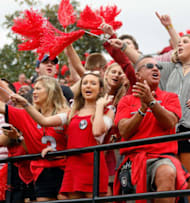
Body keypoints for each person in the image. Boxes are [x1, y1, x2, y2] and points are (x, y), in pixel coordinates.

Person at [11, 71, 114, 199]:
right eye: (85, 83)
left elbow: (97, 131)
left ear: (100, 89)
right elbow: (44, 121)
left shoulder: (108, 111)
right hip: (73, 167)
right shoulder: (72, 112)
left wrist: (99, 107)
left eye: (93, 83)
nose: (88, 86)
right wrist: (26, 104)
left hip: (94, 166)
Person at [113, 55, 190, 203]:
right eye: (149, 66)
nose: (155, 68)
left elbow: (170, 122)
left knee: (167, 173)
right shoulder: (126, 100)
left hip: (161, 157)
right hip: (133, 160)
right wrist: (142, 109)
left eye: (158, 67)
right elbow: (124, 131)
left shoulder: (170, 97)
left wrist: (152, 102)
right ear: (138, 75)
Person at [0, 76, 69, 201]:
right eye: (34, 89)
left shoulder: (67, 113)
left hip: (65, 170)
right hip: (41, 172)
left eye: (38, 88)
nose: (34, 92)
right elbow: (0, 107)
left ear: (50, 91)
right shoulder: (27, 115)